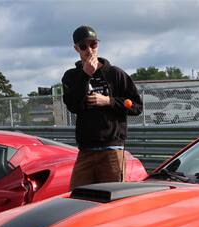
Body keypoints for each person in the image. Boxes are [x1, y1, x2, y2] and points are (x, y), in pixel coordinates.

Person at [61, 25, 142, 189]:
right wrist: (85, 75)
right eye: (83, 46)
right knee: (78, 196)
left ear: (97, 45)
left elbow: (137, 106)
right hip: (86, 150)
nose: (89, 50)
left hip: (112, 149)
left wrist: (108, 101)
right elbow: (73, 106)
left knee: (111, 201)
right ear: (76, 48)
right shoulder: (71, 76)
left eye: (93, 44)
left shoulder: (115, 74)